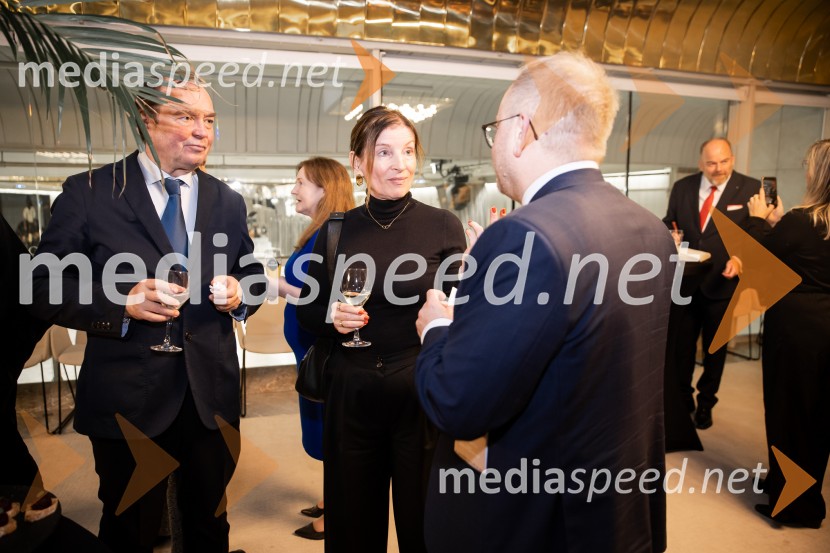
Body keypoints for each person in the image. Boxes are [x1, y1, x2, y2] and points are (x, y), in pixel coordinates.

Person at [414, 52, 671, 553]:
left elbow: (457, 402)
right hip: (615, 510)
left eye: (494, 131)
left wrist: (438, 327)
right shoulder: (650, 229)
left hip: (536, 523)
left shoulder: (524, 235)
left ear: (519, 130)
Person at [26, 80, 262, 553]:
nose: (202, 132)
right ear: (145, 119)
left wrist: (241, 292)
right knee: (130, 530)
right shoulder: (89, 191)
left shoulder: (228, 201)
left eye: (209, 120)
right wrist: (121, 302)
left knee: (210, 527)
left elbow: (250, 270)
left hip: (210, 398)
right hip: (127, 399)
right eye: (186, 117)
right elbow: (41, 285)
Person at [296, 106, 466, 553]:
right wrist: (331, 316)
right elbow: (306, 310)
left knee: (425, 524)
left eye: (408, 151)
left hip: (420, 389)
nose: (400, 163)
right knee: (352, 526)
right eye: (385, 152)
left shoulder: (442, 225)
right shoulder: (336, 231)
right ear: (358, 163)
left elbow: (459, 311)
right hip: (351, 390)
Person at [266, 157, 355, 540]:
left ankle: (337, 513)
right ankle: (327, 497)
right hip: (308, 353)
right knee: (323, 433)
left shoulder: (335, 234)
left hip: (325, 353)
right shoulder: (319, 232)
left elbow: (330, 298)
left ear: (324, 188)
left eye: (301, 182)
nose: (293, 189)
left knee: (334, 437)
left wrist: (278, 285)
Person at [748, 139, 830, 529]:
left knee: (787, 410)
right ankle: (797, 489)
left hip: (797, 329)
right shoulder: (809, 222)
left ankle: (795, 505)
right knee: (818, 416)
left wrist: (760, 220)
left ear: (820, 172)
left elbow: (762, 263)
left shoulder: (802, 219)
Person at [662, 137, 761, 429]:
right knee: (681, 349)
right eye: (711, 163)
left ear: (732, 158)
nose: (718, 168)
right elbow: (671, 221)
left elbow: (755, 235)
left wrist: (742, 258)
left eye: (724, 161)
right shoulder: (683, 187)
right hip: (686, 283)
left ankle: (706, 404)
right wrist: (670, 233)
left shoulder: (751, 188)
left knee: (715, 351)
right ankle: (683, 399)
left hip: (723, 285)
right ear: (700, 163)